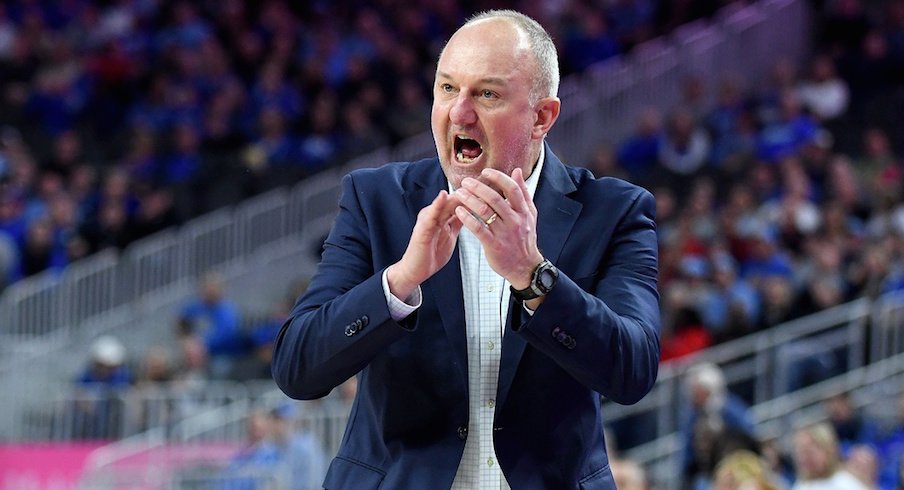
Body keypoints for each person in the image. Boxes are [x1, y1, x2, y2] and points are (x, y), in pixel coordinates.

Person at [271, 9, 660, 489]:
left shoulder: (615, 212)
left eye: (487, 94)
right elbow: (296, 369)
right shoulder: (376, 201)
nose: (460, 112)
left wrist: (533, 275)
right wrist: (398, 283)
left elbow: (633, 372)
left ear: (542, 116)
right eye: (448, 88)